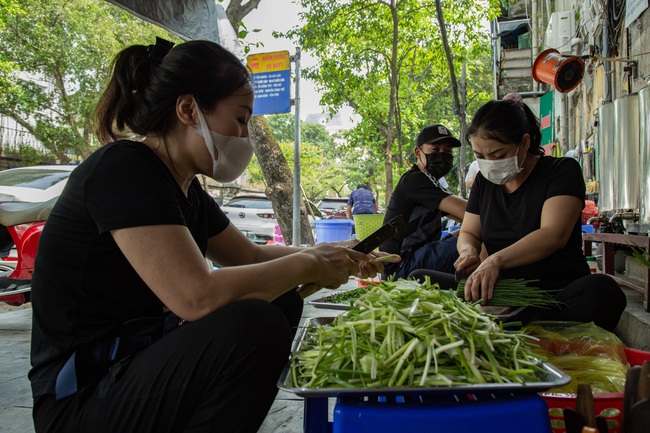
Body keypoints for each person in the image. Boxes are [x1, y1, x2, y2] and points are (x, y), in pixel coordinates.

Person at [28, 38, 387, 433]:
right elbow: (195, 296)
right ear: (188, 110)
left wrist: (335, 252)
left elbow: (249, 257)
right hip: (83, 398)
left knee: (280, 301)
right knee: (255, 325)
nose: (245, 137)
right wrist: (309, 263)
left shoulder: (186, 189)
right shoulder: (124, 169)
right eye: (240, 119)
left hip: (135, 371)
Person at [413, 94, 626, 332]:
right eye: (480, 156)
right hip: (497, 292)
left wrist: (496, 260)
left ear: (524, 143)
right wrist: (469, 252)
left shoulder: (561, 171)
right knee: (418, 279)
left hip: (552, 295)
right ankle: (507, 323)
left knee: (602, 292)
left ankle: (514, 326)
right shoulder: (485, 182)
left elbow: (553, 234)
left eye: (497, 155)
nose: (488, 163)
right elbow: (470, 232)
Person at [380, 124, 467, 280]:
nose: (442, 155)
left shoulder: (432, 184)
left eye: (447, 151)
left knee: (470, 236)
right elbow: (470, 213)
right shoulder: (416, 180)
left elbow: (468, 221)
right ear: (418, 152)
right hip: (402, 267)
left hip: (415, 258)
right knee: (479, 240)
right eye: (435, 150)